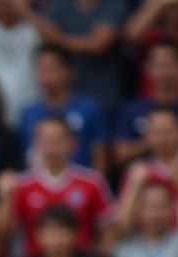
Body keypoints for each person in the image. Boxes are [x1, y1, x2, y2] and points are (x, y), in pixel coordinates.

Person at [0, 114, 115, 257]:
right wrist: (5, 197)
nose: (52, 147)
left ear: (73, 143)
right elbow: (6, 234)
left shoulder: (92, 181)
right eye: (46, 140)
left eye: (58, 140)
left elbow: (108, 232)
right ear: (35, 143)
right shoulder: (21, 184)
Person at [114, 37, 178, 168]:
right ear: (147, 68)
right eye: (158, 65)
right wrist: (156, 139)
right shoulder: (132, 109)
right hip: (145, 182)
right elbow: (119, 155)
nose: (164, 72)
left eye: (170, 65)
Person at [17, 44, 109, 176]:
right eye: (41, 69)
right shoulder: (28, 112)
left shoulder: (90, 108)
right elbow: (26, 157)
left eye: (52, 69)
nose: (46, 76)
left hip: (80, 190)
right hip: (40, 188)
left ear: (69, 71)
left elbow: (100, 156)